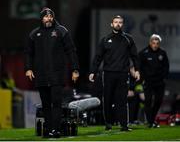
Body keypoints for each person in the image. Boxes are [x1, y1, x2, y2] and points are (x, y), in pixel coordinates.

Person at [24, 7, 79, 138]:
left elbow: (71, 51)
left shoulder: (61, 31)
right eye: (46, 16)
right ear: (41, 18)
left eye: (50, 16)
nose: (48, 18)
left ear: (53, 18)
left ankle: (56, 130)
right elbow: (28, 53)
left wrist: (75, 69)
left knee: (56, 102)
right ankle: (48, 130)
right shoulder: (34, 34)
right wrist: (28, 68)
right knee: (46, 104)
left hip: (57, 73)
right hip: (41, 74)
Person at [89, 15, 140, 131]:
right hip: (108, 73)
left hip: (123, 73)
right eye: (116, 22)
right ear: (111, 24)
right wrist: (93, 71)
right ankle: (108, 123)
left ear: (122, 24)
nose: (118, 24)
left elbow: (135, 56)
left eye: (120, 22)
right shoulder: (105, 39)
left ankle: (124, 125)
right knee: (107, 99)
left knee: (122, 100)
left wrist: (137, 70)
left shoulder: (128, 39)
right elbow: (98, 57)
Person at [139, 34, 169, 128]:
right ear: (150, 43)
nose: (155, 45)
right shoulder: (143, 53)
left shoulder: (162, 53)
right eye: (153, 43)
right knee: (148, 100)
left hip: (159, 82)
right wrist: (143, 78)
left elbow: (166, 67)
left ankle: (151, 119)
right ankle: (150, 121)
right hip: (148, 81)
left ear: (159, 44)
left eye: (157, 43)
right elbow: (140, 67)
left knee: (158, 100)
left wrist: (163, 77)